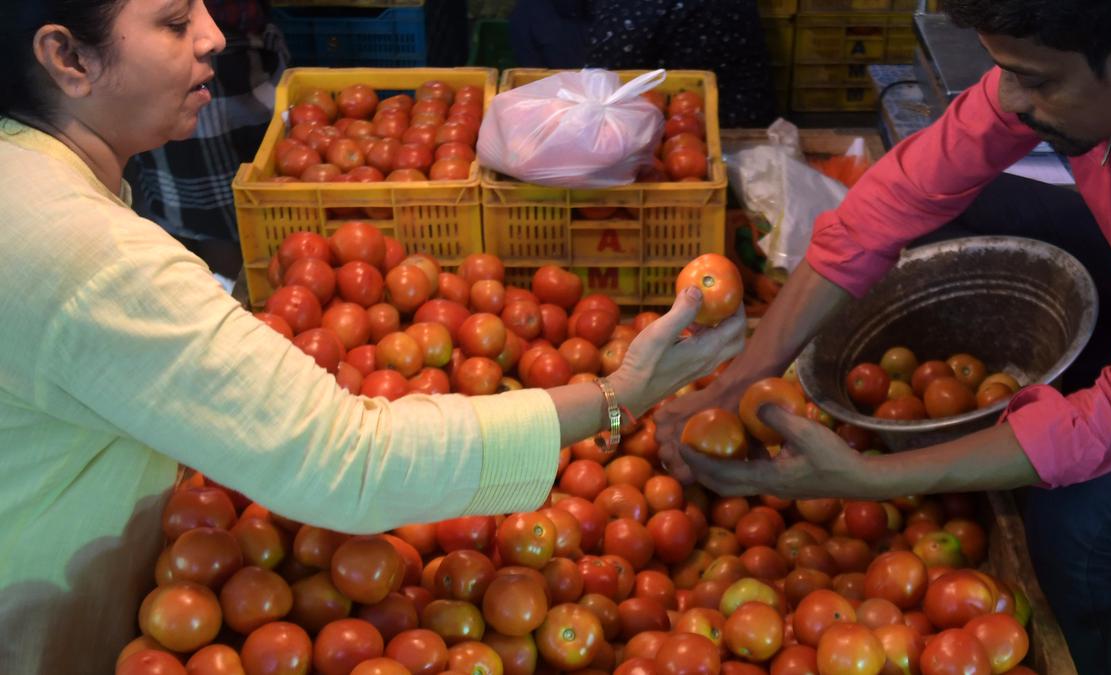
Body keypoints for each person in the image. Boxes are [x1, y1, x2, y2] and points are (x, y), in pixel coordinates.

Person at [0, 0, 745, 671]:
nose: (214, 34)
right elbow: (349, 459)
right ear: (68, 58)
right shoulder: (88, 254)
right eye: (172, 21)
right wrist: (621, 396)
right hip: (43, 626)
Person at [655, 0, 1111, 672]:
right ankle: (1021, 420)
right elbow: (887, 208)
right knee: (947, 216)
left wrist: (869, 478)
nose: (1011, 98)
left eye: (1036, 80)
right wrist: (742, 375)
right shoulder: (1070, 79)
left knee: (1081, 521)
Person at [124, 0, 287, 281]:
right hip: (191, 68)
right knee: (213, 214)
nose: (215, 39)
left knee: (251, 190)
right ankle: (236, 284)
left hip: (246, 44)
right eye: (177, 20)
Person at [509, 0, 776, 128]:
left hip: (717, 129)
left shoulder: (632, 17)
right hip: (725, 102)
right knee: (533, 14)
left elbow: (599, 89)